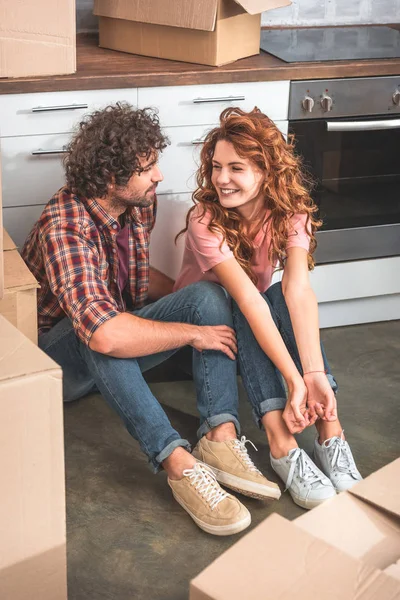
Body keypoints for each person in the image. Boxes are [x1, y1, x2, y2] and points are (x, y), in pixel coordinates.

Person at [21, 103, 286, 537]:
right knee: (102, 334)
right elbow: (104, 332)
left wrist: (206, 310)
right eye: (147, 169)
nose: (159, 176)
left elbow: (138, 286)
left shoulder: (139, 203)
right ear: (111, 178)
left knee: (206, 294)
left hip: (112, 327)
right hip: (57, 363)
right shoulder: (64, 227)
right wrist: (193, 333)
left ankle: (219, 438)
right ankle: (179, 465)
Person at [174, 107, 362, 510]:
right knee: (244, 301)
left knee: (276, 293)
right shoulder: (205, 219)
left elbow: (296, 289)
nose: (221, 178)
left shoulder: (290, 212)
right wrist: (293, 381)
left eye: (236, 168)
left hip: (251, 331)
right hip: (200, 338)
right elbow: (245, 300)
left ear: (266, 172)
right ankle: (281, 443)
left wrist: (312, 376)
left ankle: (332, 434)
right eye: (217, 166)